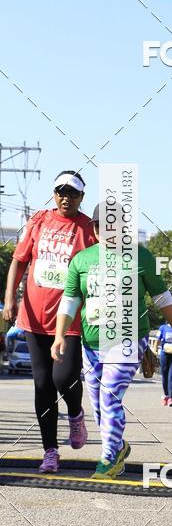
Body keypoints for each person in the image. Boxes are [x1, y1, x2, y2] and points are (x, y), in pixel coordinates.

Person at [51, 203, 172, 478]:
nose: (107, 231)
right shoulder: (81, 260)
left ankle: (108, 460)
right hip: (91, 344)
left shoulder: (141, 257)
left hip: (128, 339)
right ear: (94, 228)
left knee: (109, 395)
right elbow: (70, 301)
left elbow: (163, 298)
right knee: (98, 404)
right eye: (101, 225)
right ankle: (116, 445)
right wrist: (59, 335)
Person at [2, 171, 95, 472]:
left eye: (73, 193)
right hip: (34, 317)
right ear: (54, 194)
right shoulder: (39, 221)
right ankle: (50, 451)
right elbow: (19, 260)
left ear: (82, 197)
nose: (66, 197)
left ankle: (76, 413)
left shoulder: (86, 229)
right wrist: (10, 299)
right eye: (60, 191)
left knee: (62, 377)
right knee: (42, 384)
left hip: (69, 320)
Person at [157, 321, 172, 406]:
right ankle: (166, 395)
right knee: (164, 376)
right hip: (165, 353)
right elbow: (158, 340)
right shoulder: (163, 327)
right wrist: (154, 351)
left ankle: (171, 399)